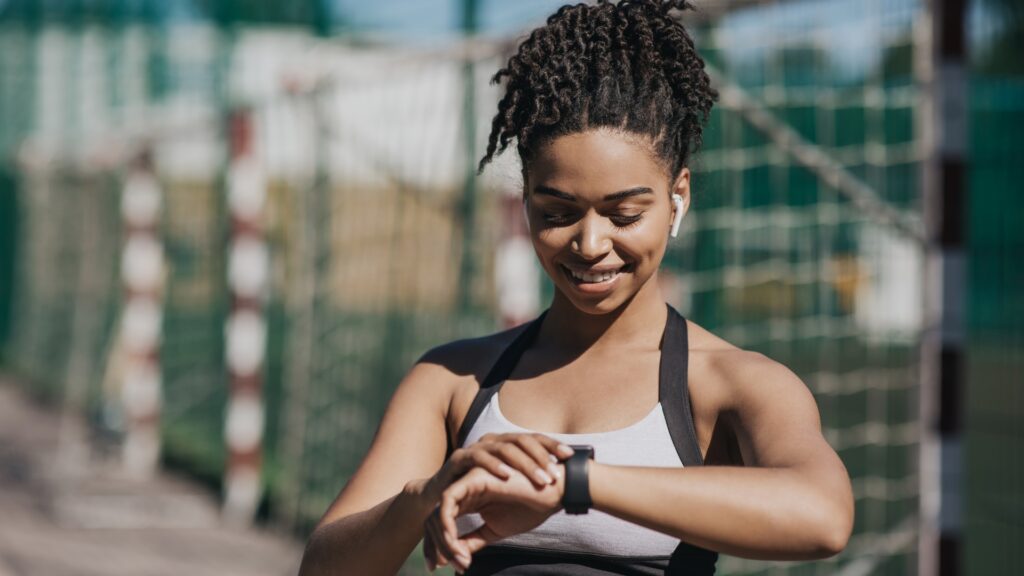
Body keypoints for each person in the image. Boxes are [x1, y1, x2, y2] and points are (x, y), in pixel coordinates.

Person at [298, 1, 854, 574]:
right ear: (525, 203)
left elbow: (823, 517)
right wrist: (426, 493)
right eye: (558, 212)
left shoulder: (728, 384)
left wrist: (576, 483)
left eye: (624, 214)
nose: (589, 243)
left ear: (677, 199)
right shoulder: (452, 382)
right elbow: (323, 568)